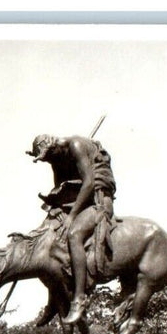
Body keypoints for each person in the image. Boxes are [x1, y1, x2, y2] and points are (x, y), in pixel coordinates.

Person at [26, 133, 116, 324]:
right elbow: (59, 188)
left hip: (98, 200)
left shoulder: (75, 145)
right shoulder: (55, 158)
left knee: (74, 234)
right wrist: (56, 208)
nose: (47, 161)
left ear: (52, 147)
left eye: (47, 157)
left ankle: (79, 299)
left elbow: (89, 183)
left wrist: (72, 216)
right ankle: (54, 299)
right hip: (78, 202)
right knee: (50, 234)